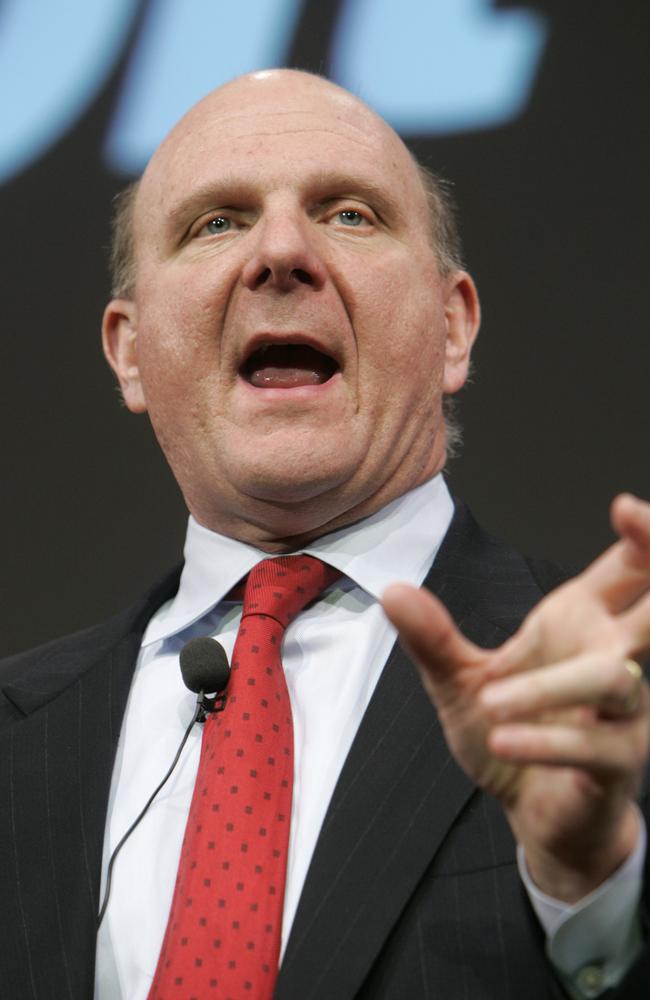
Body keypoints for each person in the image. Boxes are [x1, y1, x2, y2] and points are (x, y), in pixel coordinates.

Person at [0, 69, 648, 1000]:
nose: (279, 251)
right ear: (130, 351)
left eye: (348, 214)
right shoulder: (16, 740)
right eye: (214, 222)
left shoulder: (611, 700)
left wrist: (597, 889)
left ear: (454, 327)